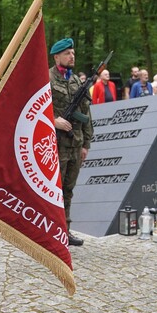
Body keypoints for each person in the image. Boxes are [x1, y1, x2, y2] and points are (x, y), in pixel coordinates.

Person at [48, 38, 92, 247]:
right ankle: (51, 230)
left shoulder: (76, 81)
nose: (71, 56)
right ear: (56, 56)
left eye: (73, 53)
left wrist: (86, 144)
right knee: (53, 189)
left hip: (75, 144)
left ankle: (65, 231)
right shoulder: (46, 78)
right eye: (67, 53)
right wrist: (54, 121)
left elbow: (86, 113)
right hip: (55, 144)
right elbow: (35, 109)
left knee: (68, 189)